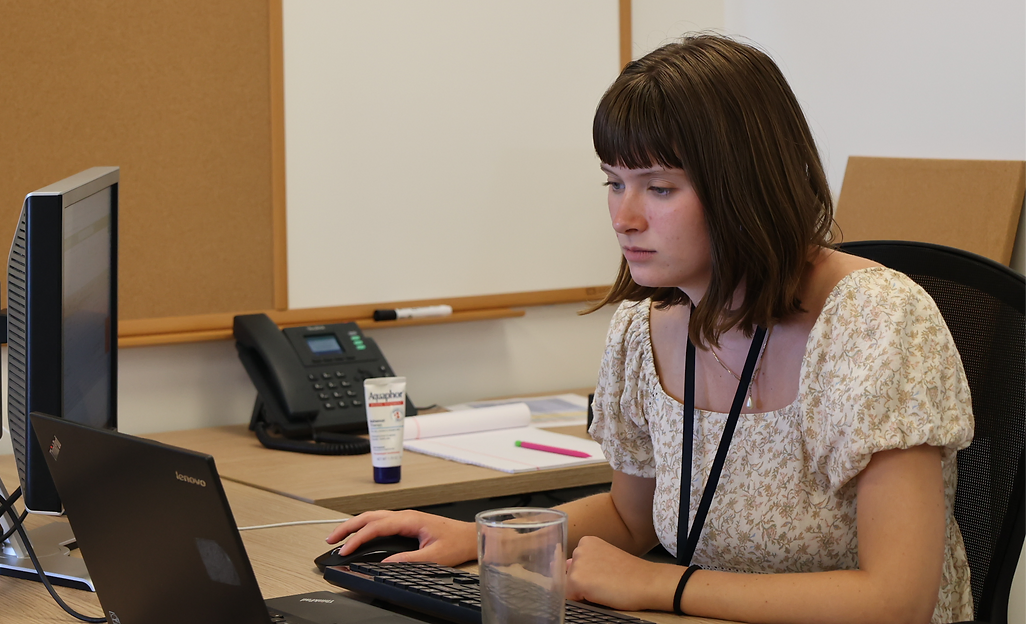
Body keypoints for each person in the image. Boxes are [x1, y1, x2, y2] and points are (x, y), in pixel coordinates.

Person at [326, 34, 974, 624]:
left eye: (658, 188)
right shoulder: (645, 331)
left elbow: (898, 599)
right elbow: (629, 517)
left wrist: (661, 586)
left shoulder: (875, 323)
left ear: (744, 187)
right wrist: (489, 537)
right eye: (614, 183)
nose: (625, 217)